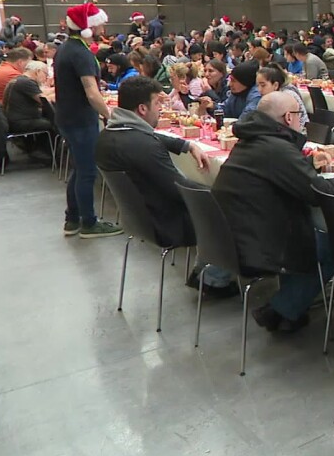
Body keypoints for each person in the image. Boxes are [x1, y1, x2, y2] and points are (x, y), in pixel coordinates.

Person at [213, 91, 334, 332]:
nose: (302, 120)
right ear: (287, 118)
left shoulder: (254, 138)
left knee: (308, 234)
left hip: (233, 233)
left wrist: (304, 164)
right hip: (256, 241)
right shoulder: (276, 147)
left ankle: (290, 307)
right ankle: (284, 309)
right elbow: (321, 193)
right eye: (299, 114)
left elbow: (277, 172)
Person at [94, 77, 238, 297]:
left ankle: (210, 271)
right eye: (157, 104)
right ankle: (213, 279)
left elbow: (148, 136)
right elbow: (181, 189)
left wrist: (185, 144)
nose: (161, 110)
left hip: (138, 218)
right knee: (229, 207)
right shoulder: (143, 146)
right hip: (165, 222)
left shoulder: (108, 135)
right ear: (142, 109)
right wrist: (221, 196)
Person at [56, 3, 122, 238]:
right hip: (81, 119)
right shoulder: (81, 53)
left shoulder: (66, 48)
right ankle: (89, 222)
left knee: (79, 169)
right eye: (100, 22)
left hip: (67, 116)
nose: (103, 26)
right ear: (89, 26)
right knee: (87, 172)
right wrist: (109, 114)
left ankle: (72, 219)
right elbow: (91, 93)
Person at [2, 60, 55, 155]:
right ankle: (46, 153)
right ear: (38, 71)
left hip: (13, 119)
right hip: (21, 121)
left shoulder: (19, 79)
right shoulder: (27, 82)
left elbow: (40, 94)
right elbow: (44, 100)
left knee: (49, 120)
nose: (46, 77)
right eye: (45, 74)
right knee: (54, 124)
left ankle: (36, 148)